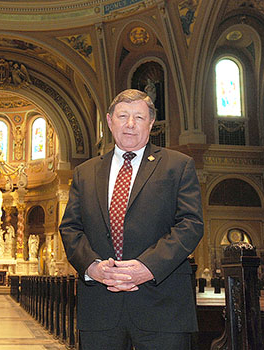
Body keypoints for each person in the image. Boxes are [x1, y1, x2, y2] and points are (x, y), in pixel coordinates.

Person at [59, 89, 203, 349]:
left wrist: (148, 267)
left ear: (151, 124)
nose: (130, 124)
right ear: (110, 120)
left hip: (163, 306)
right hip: (100, 308)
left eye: (139, 117)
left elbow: (190, 224)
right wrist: (91, 267)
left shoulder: (178, 165)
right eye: (123, 115)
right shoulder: (85, 172)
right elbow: (70, 227)